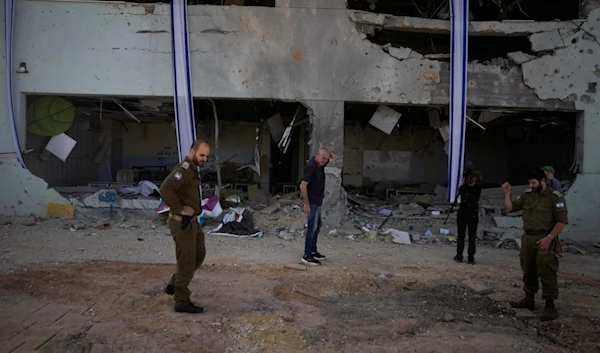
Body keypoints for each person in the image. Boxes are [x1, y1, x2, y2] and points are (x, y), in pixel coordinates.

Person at [502, 168, 568, 322]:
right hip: (529, 239)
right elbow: (511, 208)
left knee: (547, 271)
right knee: (528, 269)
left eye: (534, 182)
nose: (531, 185)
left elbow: (562, 221)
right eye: (529, 182)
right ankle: (529, 298)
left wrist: (550, 238)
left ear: (543, 181)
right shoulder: (527, 195)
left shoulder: (554, 197)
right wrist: (507, 193)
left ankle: (550, 305)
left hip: (545, 239)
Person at [159, 140, 210, 314]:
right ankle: (181, 301)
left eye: (206, 156)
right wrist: (180, 208)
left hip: (192, 222)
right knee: (187, 261)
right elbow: (165, 189)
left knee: (199, 254)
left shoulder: (193, 170)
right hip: (182, 223)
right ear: (192, 152)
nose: (204, 159)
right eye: (201, 155)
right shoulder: (184, 170)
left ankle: (174, 284)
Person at [300, 147, 336, 266]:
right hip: (312, 202)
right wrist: (306, 203)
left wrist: (329, 156)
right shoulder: (311, 167)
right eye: (323, 158)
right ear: (317, 155)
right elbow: (303, 185)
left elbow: (333, 157)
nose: (325, 161)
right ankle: (307, 255)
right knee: (311, 227)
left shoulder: (320, 165)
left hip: (318, 201)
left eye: (326, 159)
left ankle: (313, 250)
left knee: (317, 226)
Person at [453, 170, 482, 265]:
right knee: (472, 236)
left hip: (462, 214)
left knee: (461, 235)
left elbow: (458, 194)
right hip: (473, 215)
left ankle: (459, 255)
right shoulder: (478, 188)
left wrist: (463, 183)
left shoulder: (463, 188)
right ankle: (471, 257)